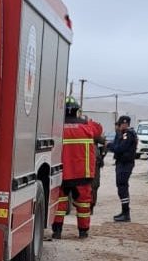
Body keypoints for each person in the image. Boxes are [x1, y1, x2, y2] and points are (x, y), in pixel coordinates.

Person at [52, 97, 103, 239]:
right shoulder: (88, 126)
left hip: (62, 174)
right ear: (77, 111)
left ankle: (57, 232)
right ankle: (83, 232)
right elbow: (99, 130)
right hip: (82, 174)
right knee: (84, 205)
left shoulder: (57, 127)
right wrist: (85, 119)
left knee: (60, 204)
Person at [107, 115, 138, 222]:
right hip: (121, 163)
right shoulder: (122, 134)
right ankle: (124, 211)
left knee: (122, 186)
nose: (121, 126)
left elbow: (120, 148)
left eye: (123, 124)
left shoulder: (127, 135)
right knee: (121, 187)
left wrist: (109, 146)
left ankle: (126, 213)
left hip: (125, 163)